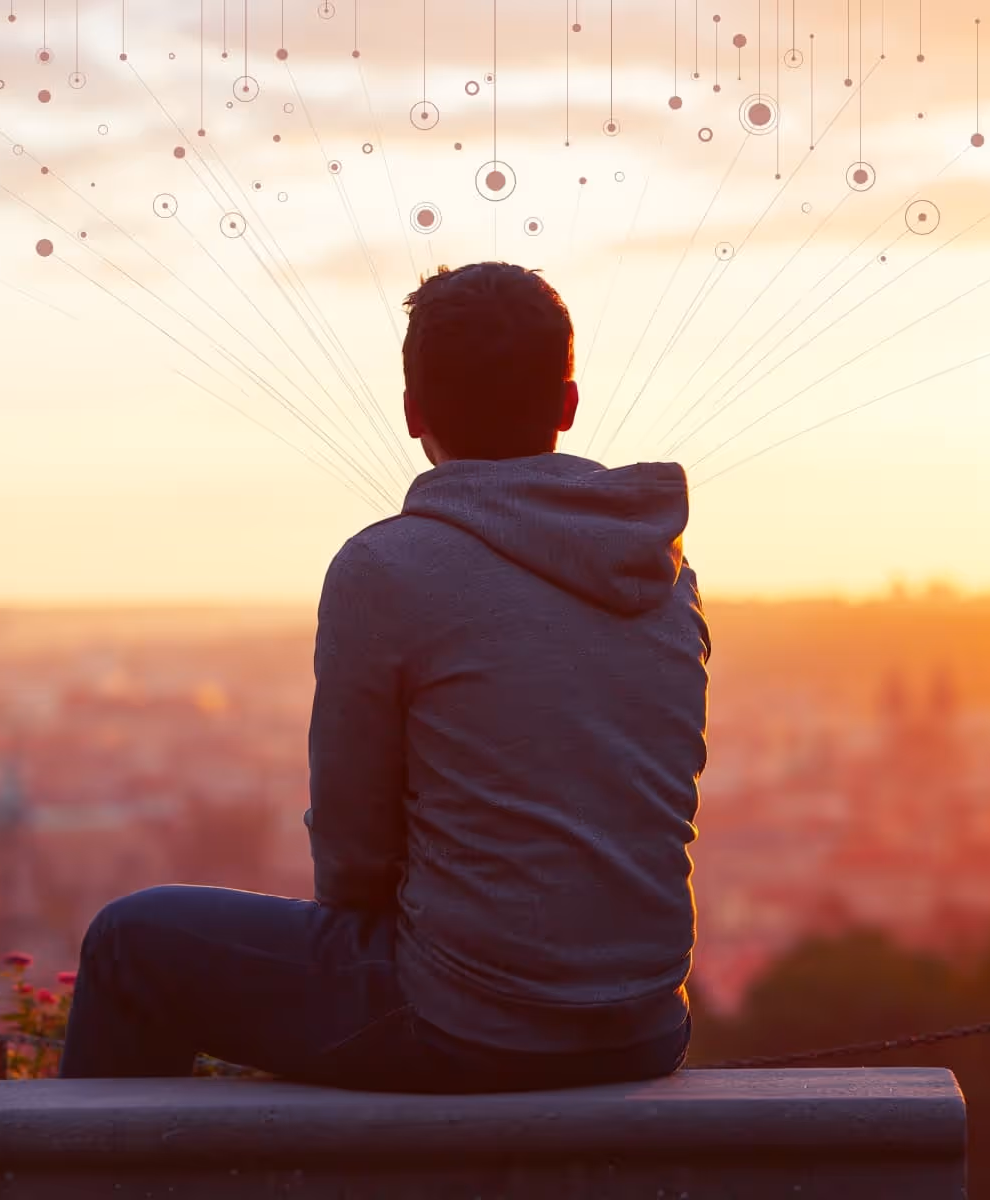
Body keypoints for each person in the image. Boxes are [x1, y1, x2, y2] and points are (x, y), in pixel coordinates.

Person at [60, 262, 712, 1092]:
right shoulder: (662, 569)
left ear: (412, 414)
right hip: (647, 1027)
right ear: (568, 405)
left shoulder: (388, 568)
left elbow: (355, 849)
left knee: (130, 941)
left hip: (471, 1024)